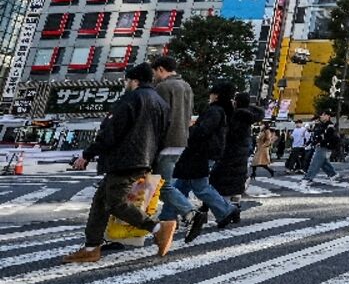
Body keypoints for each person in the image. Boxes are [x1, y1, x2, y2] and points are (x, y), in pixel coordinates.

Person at [63, 63, 177, 263]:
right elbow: (164, 135)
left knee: (116, 202)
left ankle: (158, 228)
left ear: (134, 81)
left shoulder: (131, 99)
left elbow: (110, 132)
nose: (126, 84)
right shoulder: (161, 103)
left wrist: (87, 154)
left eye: (127, 80)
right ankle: (91, 247)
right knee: (101, 202)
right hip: (144, 159)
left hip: (124, 159)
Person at [173, 81, 239, 232]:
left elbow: (203, 131)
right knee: (180, 185)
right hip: (200, 153)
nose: (210, 95)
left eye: (212, 93)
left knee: (199, 187)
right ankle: (170, 216)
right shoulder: (222, 110)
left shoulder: (215, 111)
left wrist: (190, 128)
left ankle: (226, 210)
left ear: (216, 95)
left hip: (199, 153)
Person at [151, 55, 203, 240]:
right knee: (165, 183)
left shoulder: (163, 87)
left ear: (160, 69)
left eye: (154, 72)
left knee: (162, 186)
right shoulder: (186, 86)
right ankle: (169, 217)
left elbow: (158, 116)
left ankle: (191, 213)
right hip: (181, 140)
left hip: (165, 141)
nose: (154, 76)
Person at [212, 92, 263, 208]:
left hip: (230, 153)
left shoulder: (236, 117)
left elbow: (229, 134)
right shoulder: (248, 117)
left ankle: (224, 210)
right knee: (236, 182)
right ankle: (235, 207)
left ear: (237, 102)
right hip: (242, 154)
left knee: (221, 181)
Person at [303, 112, 340, 184]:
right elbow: (318, 135)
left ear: (328, 116)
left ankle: (308, 178)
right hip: (320, 145)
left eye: (323, 115)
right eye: (321, 115)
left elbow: (328, 137)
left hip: (324, 146)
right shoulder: (322, 125)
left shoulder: (330, 126)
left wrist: (320, 142)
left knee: (315, 162)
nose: (321, 117)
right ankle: (333, 174)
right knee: (322, 162)